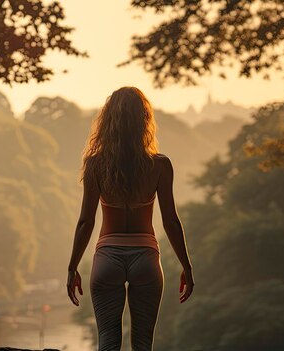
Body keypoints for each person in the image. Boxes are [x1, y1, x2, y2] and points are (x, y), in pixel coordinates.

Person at [66, 86, 194, 351]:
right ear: (144, 120)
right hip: (146, 259)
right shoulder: (159, 165)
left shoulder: (95, 165)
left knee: (108, 344)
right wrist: (187, 268)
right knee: (142, 345)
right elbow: (170, 220)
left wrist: (72, 268)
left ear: (108, 121)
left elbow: (85, 221)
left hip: (106, 260)